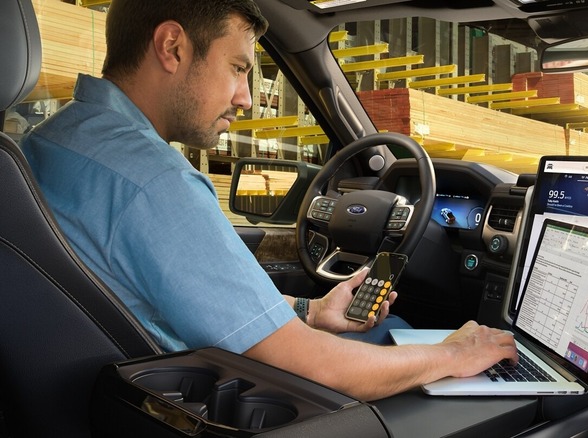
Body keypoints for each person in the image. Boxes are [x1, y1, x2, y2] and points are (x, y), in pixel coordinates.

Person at [20, 0, 517, 401]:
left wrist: (310, 311)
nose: (246, 98)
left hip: (106, 394)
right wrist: (454, 356)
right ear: (172, 47)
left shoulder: (52, 140)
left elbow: (181, 294)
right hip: (189, 402)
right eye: (238, 68)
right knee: (408, 334)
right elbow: (320, 366)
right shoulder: (155, 184)